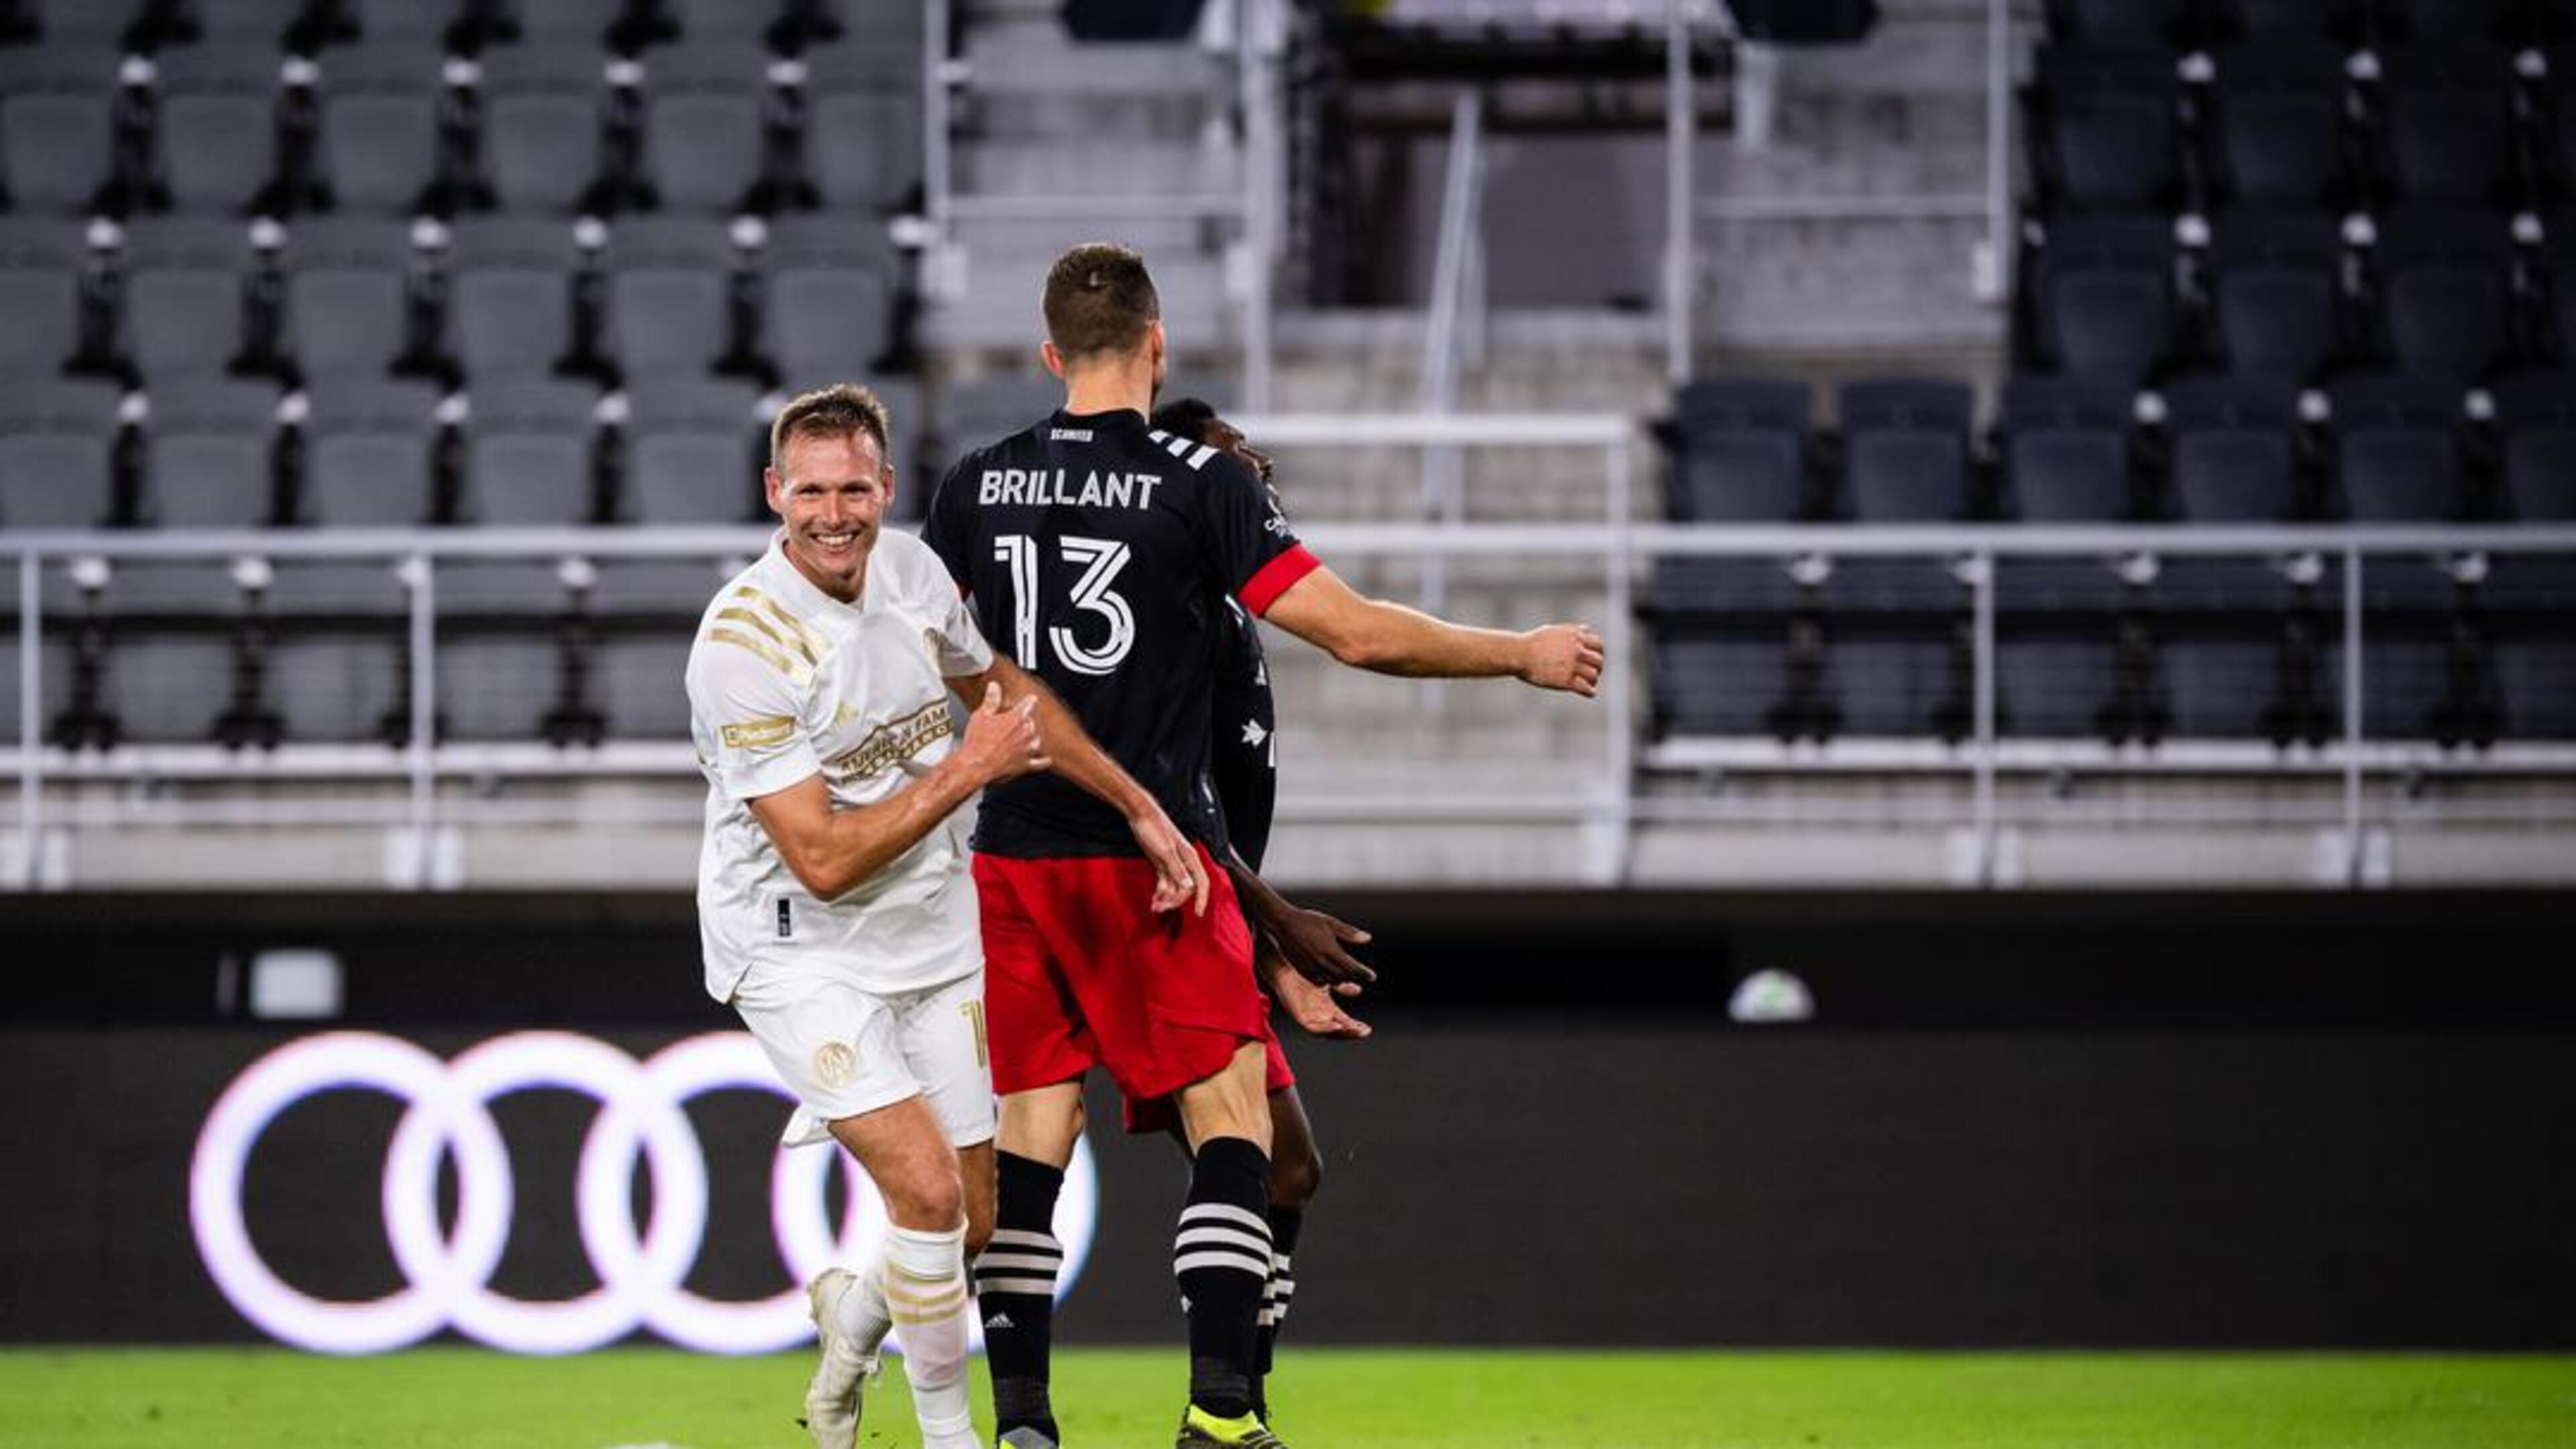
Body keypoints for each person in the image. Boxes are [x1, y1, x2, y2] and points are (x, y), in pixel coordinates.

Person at [921, 243, 1605, 1449]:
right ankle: (1222, 1413)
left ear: (1047, 355)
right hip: (1156, 868)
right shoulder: (1201, 481)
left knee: (1035, 1135)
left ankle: (1023, 1422)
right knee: (1230, 1120)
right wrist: (1522, 651)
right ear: (1157, 343)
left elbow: (946, 664)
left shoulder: (974, 484)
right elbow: (1354, 635)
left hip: (1012, 856)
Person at [681, 383, 1204, 1449]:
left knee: (975, 1213)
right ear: (775, 494)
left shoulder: (915, 575)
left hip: (931, 925)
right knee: (923, 1193)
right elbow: (822, 859)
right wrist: (968, 772)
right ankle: (949, 1440)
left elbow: (1010, 696)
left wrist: (1138, 807)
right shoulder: (743, 644)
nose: (837, 515)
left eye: (856, 490)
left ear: (887, 488)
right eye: (812, 492)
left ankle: (852, 1319)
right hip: (796, 944)